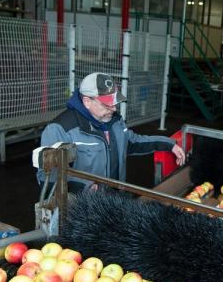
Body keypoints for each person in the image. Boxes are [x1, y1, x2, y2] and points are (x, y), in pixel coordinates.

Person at [36, 72, 185, 192]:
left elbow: (133, 142)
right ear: (87, 101)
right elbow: (47, 176)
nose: (114, 109)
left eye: (115, 103)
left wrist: (169, 144)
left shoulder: (114, 121)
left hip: (115, 197)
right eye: (107, 105)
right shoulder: (60, 129)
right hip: (83, 207)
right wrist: (82, 185)